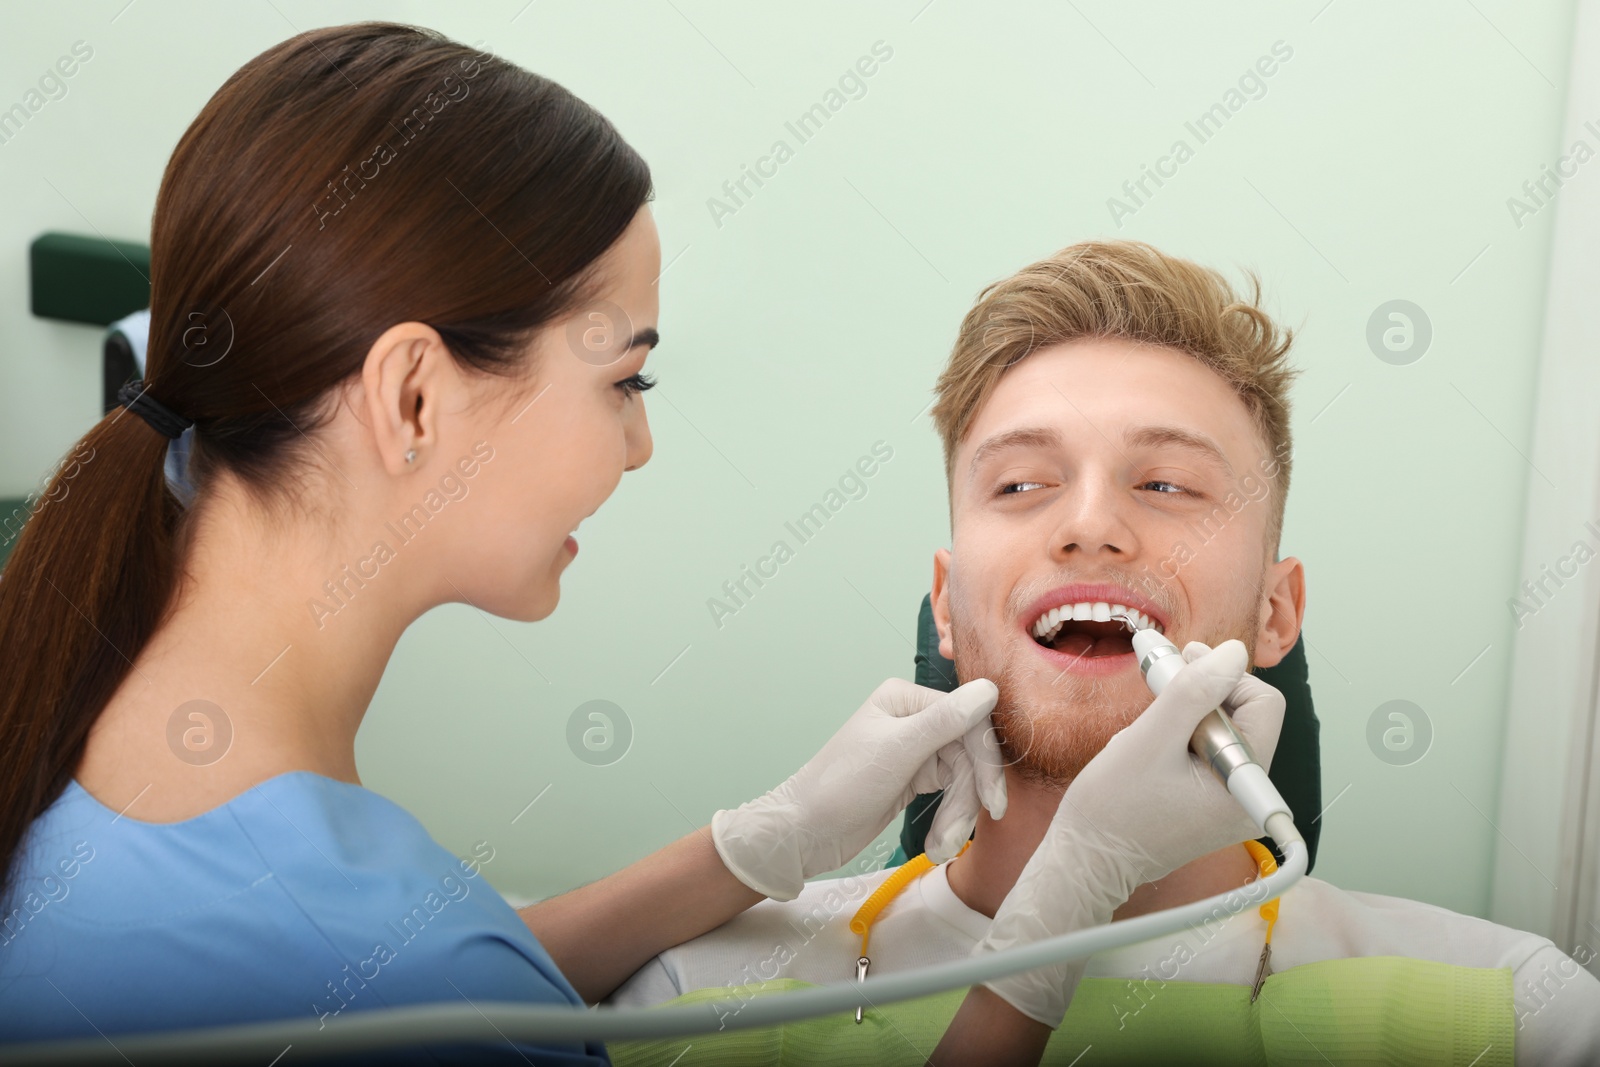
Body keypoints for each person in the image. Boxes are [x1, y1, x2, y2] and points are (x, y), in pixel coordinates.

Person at [0, 25, 1276, 1066]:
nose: (637, 448)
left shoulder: (82, 711)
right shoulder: (361, 943)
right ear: (411, 400)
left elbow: (408, 985)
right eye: (627, 382)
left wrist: (745, 847)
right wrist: (1051, 934)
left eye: (1166, 480)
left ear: (1279, 611)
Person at [606, 241, 1600, 1066]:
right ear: (945, 606)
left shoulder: (1512, 1015)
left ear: (1273, 612)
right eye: (1022, 484)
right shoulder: (695, 994)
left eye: (1165, 484)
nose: (1090, 524)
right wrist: (754, 846)